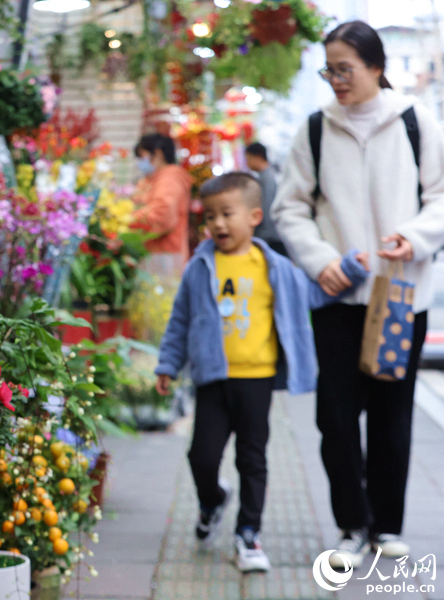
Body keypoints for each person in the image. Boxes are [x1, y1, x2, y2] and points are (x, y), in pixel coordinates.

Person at [272, 20, 444, 567]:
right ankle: (352, 521)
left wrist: (412, 239)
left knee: (393, 414)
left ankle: (387, 526)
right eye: (329, 69)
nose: (336, 80)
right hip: (338, 301)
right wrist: (322, 261)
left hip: (399, 298)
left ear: (376, 67)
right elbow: (289, 209)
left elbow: (441, 197)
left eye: (344, 69)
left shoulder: (416, 121)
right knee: (336, 417)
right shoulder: (316, 129)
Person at [155, 172, 368, 572]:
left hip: (257, 380)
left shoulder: (274, 266)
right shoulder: (200, 266)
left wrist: (351, 270)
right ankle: (213, 499)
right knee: (202, 456)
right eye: (210, 216)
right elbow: (180, 319)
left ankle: (248, 533)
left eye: (227, 214)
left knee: (253, 459)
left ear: (254, 216)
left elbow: (316, 291)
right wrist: (168, 364)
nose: (218, 223)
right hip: (212, 380)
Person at [131, 133, 192, 277]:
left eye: (142, 156)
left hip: (165, 255)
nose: (140, 162)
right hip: (154, 253)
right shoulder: (152, 179)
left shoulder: (169, 178)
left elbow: (163, 216)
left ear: (157, 154)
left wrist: (126, 219)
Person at [245, 142, 284, 256]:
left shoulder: (267, 178)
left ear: (258, 157)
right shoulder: (270, 174)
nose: (247, 163)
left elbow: (267, 208)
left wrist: (262, 236)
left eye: (248, 158)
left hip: (271, 237)